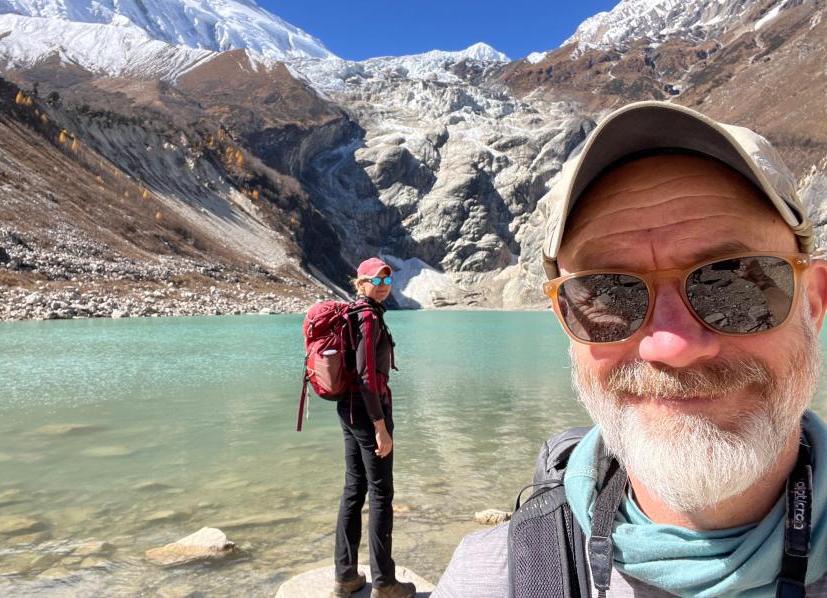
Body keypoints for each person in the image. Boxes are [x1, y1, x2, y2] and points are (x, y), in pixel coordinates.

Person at [434, 101, 827, 596]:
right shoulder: (491, 578)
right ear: (565, 320)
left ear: (813, 301)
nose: (673, 346)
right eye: (608, 294)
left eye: (734, 283)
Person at [332, 257, 415, 598]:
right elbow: (367, 376)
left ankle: (346, 577)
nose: (382, 286)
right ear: (361, 283)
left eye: (387, 280)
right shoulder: (367, 317)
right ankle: (384, 583)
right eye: (375, 281)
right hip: (368, 414)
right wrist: (380, 425)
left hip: (349, 410)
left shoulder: (356, 313)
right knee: (381, 494)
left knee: (354, 489)